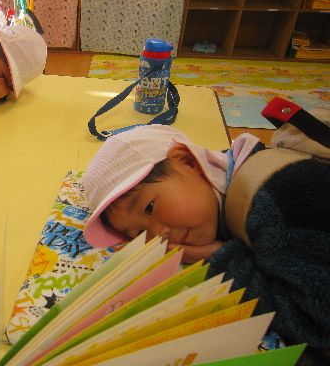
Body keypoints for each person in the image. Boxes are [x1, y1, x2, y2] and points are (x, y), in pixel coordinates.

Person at [80, 116, 330, 359]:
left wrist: (223, 260)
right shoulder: (223, 181)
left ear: (188, 161)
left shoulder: (279, 201)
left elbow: (317, 319)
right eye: (138, 234)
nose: (158, 235)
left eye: (149, 208)